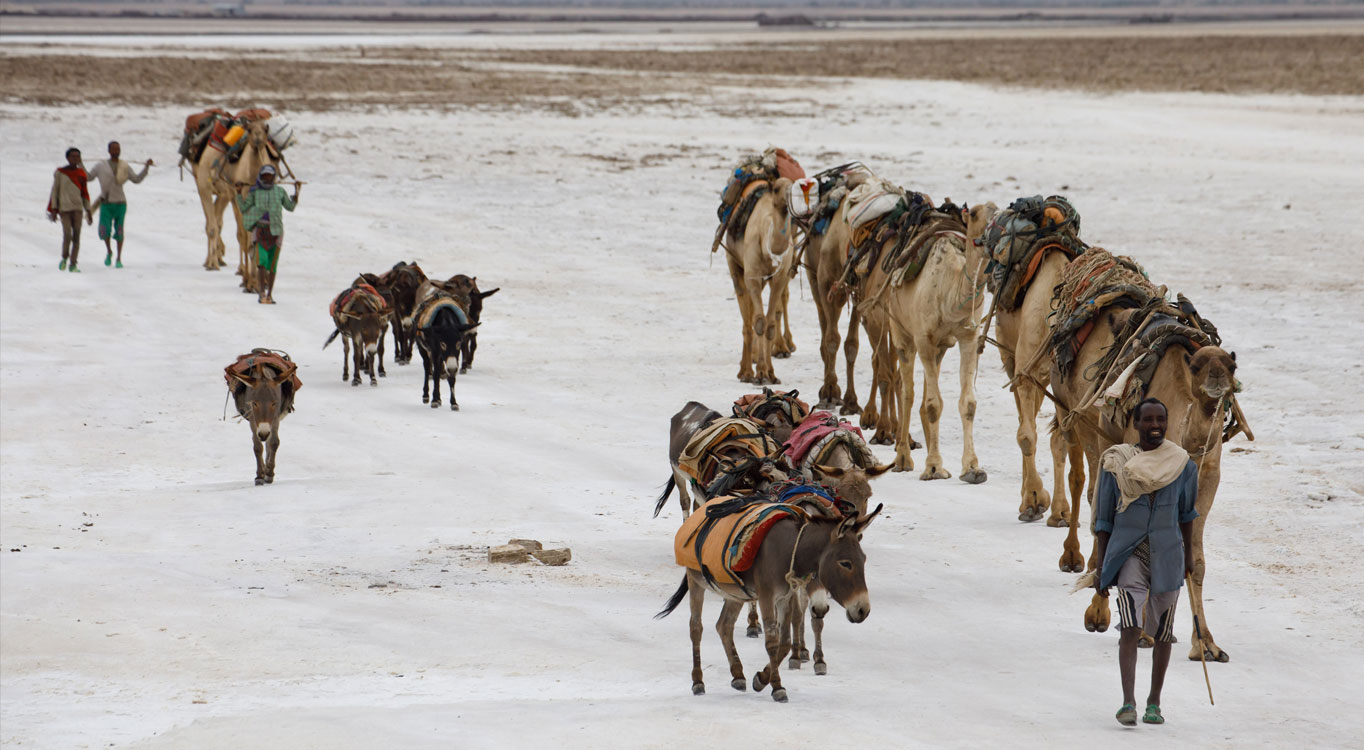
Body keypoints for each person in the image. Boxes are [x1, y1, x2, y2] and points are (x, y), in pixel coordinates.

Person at [1092, 397, 1199, 727]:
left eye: (1160, 420)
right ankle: (1128, 702)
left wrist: (1190, 556)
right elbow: (1104, 519)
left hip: (1168, 555)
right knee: (1130, 626)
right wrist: (1101, 565)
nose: (1155, 426)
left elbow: (1187, 515)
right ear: (1135, 424)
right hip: (1129, 554)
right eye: (1148, 420)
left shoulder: (1183, 466)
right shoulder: (1116, 463)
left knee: (1164, 633)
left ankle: (1154, 702)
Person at [235, 164, 299, 304]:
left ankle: (269, 294)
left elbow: (290, 207)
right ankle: (262, 293)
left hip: (276, 232)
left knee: (273, 265)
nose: (268, 179)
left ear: (274, 177)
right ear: (261, 177)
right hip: (260, 231)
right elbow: (243, 208)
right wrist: (239, 193)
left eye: (270, 177)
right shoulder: (255, 193)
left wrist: (296, 194)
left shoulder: (280, 191)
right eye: (265, 176)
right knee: (262, 262)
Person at [86, 141, 152, 268]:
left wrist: (146, 167)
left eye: (118, 149)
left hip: (121, 203)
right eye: (114, 149)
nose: (116, 151)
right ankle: (109, 251)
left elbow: (136, 179)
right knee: (105, 230)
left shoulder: (124, 166)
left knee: (120, 231)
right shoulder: (101, 166)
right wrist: (80, 164)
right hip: (106, 203)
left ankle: (119, 258)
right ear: (109, 151)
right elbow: (89, 177)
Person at [46, 147, 93, 272]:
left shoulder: (81, 174)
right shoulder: (60, 173)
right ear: (67, 158)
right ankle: (64, 257)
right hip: (64, 209)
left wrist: (88, 210)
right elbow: (55, 191)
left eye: (78, 157)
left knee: (77, 237)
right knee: (67, 235)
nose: (75, 159)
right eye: (73, 156)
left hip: (78, 209)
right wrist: (54, 209)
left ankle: (73, 263)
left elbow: (84, 193)